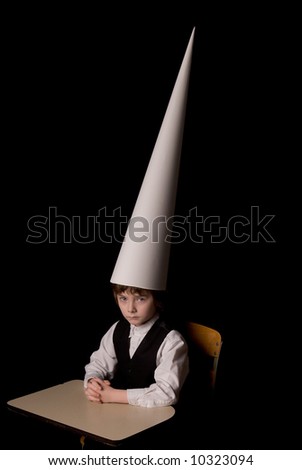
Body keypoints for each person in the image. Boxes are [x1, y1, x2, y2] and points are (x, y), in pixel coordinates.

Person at [84, 284, 189, 408]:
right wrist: (93, 382)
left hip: (157, 418)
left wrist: (113, 396)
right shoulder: (118, 329)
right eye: (123, 298)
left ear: (157, 299)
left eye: (140, 299)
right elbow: (99, 363)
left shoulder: (172, 341)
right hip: (118, 412)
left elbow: (166, 393)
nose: (130, 309)